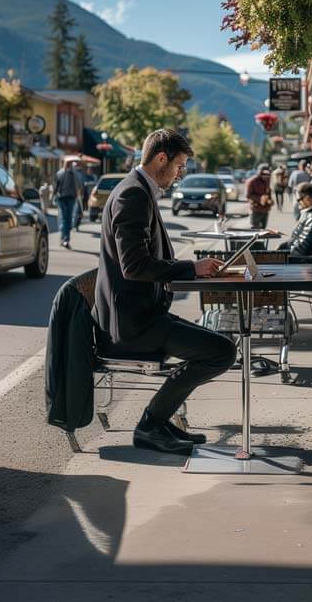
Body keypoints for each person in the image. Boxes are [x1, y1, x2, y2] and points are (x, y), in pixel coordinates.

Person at [94, 129, 236, 455]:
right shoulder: (133, 195)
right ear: (161, 158)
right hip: (133, 325)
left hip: (141, 316)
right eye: (179, 165)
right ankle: (151, 424)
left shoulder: (138, 189)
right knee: (221, 352)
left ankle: (156, 421)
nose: (180, 173)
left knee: (221, 346)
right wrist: (191, 268)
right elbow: (134, 266)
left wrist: (192, 269)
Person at [278, 182, 312, 260]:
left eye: (299, 199)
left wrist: (282, 255)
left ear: (308, 198)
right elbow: (298, 241)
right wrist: (282, 247)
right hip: (300, 258)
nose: (297, 203)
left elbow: (302, 247)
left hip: (301, 261)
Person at [53, 160, 84, 249]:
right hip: (63, 198)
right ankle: (65, 238)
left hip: (69, 198)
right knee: (65, 218)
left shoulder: (72, 174)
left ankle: (64, 238)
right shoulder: (63, 173)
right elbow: (56, 185)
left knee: (67, 219)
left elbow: (56, 186)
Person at [246, 164, 274, 230]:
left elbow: (268, 192)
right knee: (255, 229)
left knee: (263, 229)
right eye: (264, 174)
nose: (266, 176)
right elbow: (248, 195)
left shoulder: (267, 181)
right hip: (256, 209)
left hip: (265, 209)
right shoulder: (252, 181)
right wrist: (260, 199)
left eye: (268, 174)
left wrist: (270, 200)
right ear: (260, 172)